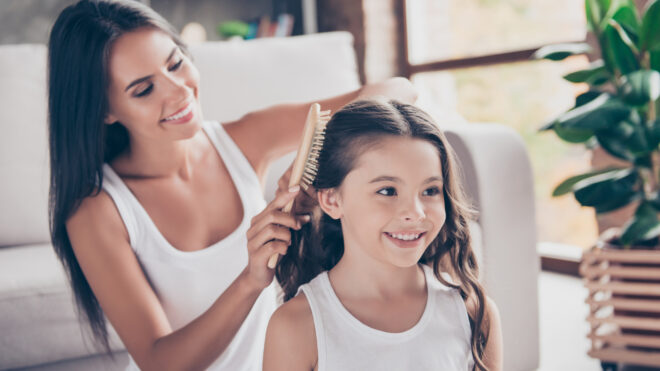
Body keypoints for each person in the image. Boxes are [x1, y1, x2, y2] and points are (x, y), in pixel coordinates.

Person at [47, 1, 417, 370]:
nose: (178, 92)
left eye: (175, 63)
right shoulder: (98, 209)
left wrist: (315, 166)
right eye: (144, 89)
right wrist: (250, 280)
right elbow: (160, 363)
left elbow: (397, 90)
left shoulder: (245, 139)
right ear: (104, 111)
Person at [263, 99, 503, 371]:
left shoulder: (473, 313)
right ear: (331, 200)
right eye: (388, 191)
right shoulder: (296, 327)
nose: (416, 213)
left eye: (430, 190)